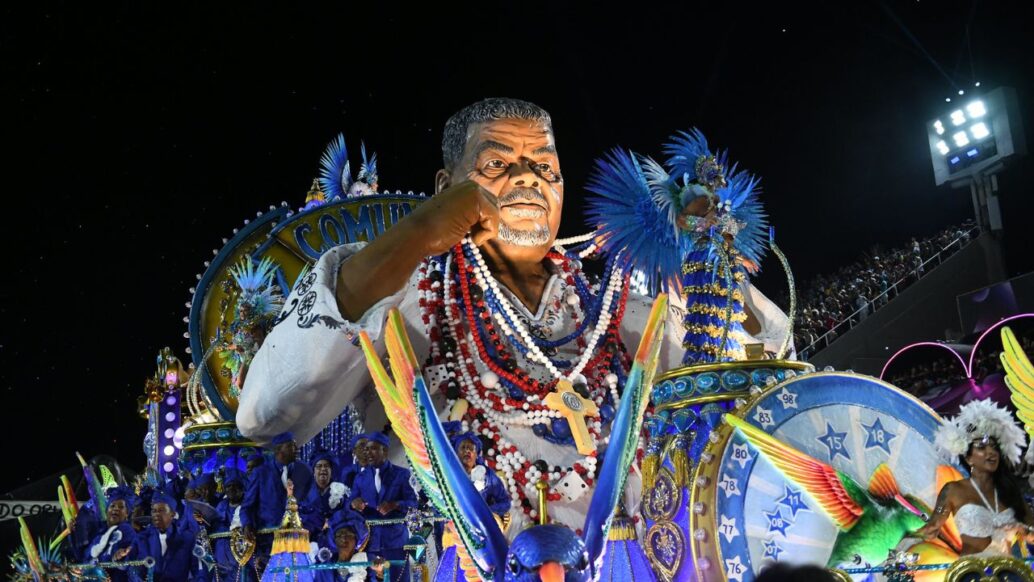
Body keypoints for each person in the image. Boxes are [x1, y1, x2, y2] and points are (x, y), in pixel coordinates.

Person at [238, 97, 792, 532]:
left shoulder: (621, 317)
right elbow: (265, 416)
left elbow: (753, 386)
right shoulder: (400, 310)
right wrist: (415, 235)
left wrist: (711, 256)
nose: (527, 179)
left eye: (544, 166)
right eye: (497, 163)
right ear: (444, 186)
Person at [914, 399, 1034, 556]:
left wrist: (1021, 529)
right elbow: (931, 528)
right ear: (968, 458)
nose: (991, 452)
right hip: (972, 574)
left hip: (1011, 574)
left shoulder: (1010, 490)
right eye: (982, 448)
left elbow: (1031, 531)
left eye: (994, 448)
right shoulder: (953, 490)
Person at [348, 432, 416, 580]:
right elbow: (349, 504)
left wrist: (395, 504)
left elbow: (413, 503)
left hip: (396, 541)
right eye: (366, 449)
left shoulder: (402, 474)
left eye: (373, 449)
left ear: (384, 451)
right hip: (372, 542)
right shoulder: (360, 477)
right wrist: (354, 503)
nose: (368, 453)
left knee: (399, 578)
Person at [240, 431, 315, 568]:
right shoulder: (261, 473)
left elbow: (310, 502)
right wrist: (247, 524)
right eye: (291, 446)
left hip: (296, 541)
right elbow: (247, 506)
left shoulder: (304, 470)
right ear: (278, 450)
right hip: (268, 541)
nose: (296, 449)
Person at [132, 490, 198, 582]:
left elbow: (198, 571)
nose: (156, 514)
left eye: (161, 510)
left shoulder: (187, 539)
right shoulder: (141, 538)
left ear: (173, 514)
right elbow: (128, 566)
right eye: (154, 511)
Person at [79, 486, 139, 582]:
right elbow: (84, 557)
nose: (116, 509)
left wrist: (121, 558)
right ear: (107, 510)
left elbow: (131, 556)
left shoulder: (127, 531)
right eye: (112, 506)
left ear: (127, 513)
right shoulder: (98, 534)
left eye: (121, 507)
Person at [211, 468, 257, 581]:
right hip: (222, 559)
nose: (232, 489)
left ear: (242, 489)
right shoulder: (221, 506)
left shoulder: (249, 507)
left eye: (235, 486)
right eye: (229, 486)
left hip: (244, 558)